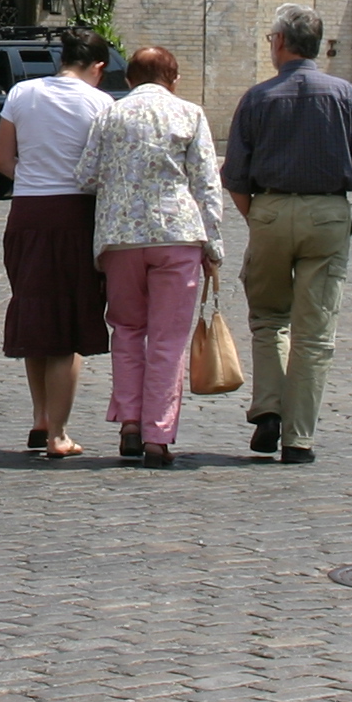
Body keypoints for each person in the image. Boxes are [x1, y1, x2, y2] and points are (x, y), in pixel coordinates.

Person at [222, 2, 352, 466]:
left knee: (269, 318)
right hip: (328, 212)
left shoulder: (257, 98)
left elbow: (234, 176)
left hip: (270, 208)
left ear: (279, 42)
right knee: (314, 333)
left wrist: (258, 215)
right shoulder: (345, 95)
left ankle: (268, 409)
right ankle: (299, 438)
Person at [75, 45, 227, 469]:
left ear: (129, 80)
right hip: (176, 236)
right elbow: (207, 186)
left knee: (126, 330)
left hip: (121, 239)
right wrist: (213, 247)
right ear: (173, 78)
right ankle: (158, 434)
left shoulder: (110, 114)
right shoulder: (190, 114)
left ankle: (128, 423)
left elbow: (85, 175)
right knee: (167, 338)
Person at [0, 28, 114, 457]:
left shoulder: (22, 93)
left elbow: (2, 160)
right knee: (68, 327)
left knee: (35, 313)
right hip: (75, 214)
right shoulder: (101, 103)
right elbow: (104, 169)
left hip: (26, 213)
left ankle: (40, 418)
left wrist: (32, 178)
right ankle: (59, 433)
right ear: (97, 66)